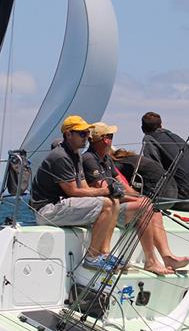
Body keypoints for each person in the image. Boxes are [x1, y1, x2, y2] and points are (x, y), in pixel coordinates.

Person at [84, 123, 189, 274]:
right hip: (107, 209)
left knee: (152, 207)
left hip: (117, 203)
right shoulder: (89, 159)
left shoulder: (107, 160)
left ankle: (167, 256)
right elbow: (108, 191)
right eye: (110, 136)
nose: (111, 139)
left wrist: (138, 197)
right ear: (105, 140)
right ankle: (151, 262)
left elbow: (125, 187)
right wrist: (137, 201)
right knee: (144, 206)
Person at [30, 116, 124, 272]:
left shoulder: (76, 154)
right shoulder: (61, 156)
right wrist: (106, 191)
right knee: (107, 203)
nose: (86, 137)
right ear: (68, 134)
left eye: (87, 133)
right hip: (47, 211)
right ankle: (92, 258)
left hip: (61, 206)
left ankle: (105, 253)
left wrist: (109, 193)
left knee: (113, 202)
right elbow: (73, 191)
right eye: (82, 134)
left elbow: (84, 187)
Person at [141, 112, 189, 210]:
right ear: (161, 125)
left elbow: (153, 170)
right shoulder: (177, 137)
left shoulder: (149, 138)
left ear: (143, 129)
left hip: (183, 199)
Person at [111, 148, 178, 208]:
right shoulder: (130, 157)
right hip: (173, 197)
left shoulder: (118, 164)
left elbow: (125, 188)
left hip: (159, 197)